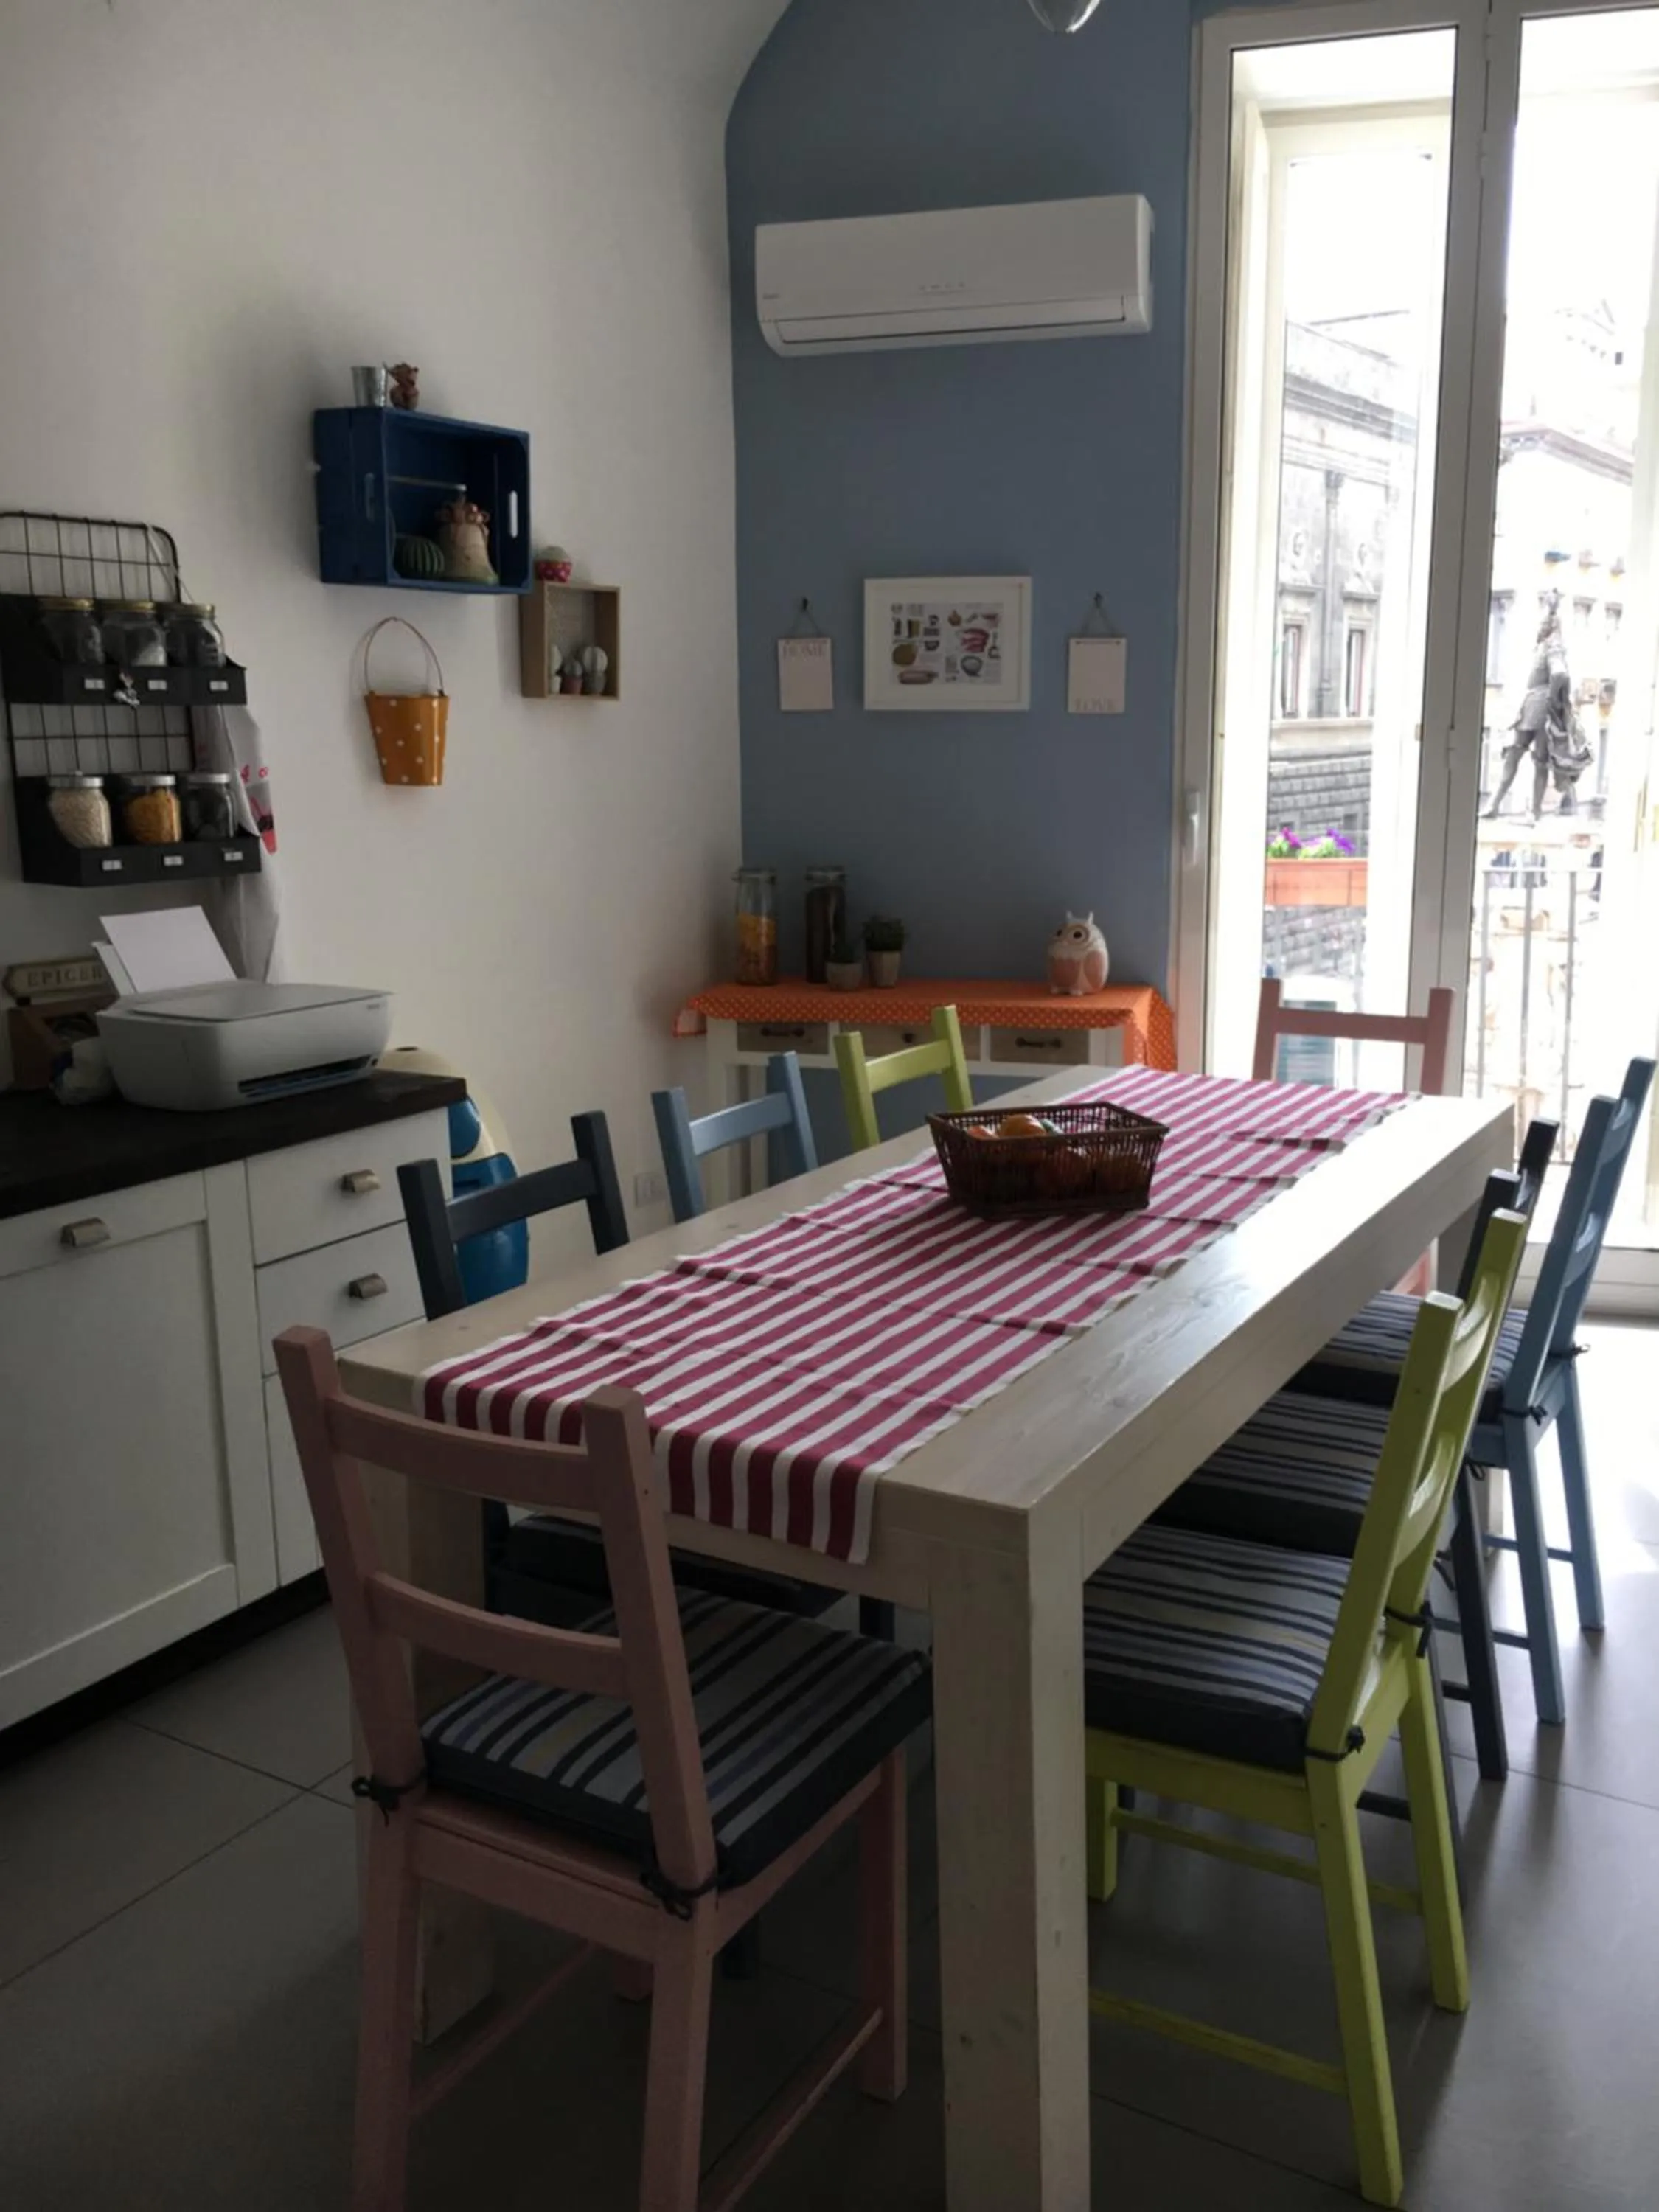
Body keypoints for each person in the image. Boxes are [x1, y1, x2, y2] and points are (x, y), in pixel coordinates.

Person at [1486, 591, 1592, 819]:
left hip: (1540, 707)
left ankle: (1533, 811)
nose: (1542, 626)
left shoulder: (1553, 647)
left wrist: (1552, 700)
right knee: (1516, 754)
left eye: (1546, 623)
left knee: (1539, 760)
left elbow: (1560, 674)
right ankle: (1497, 805)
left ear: (1552, 627)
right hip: (1533, 705)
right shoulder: (1545, 646)